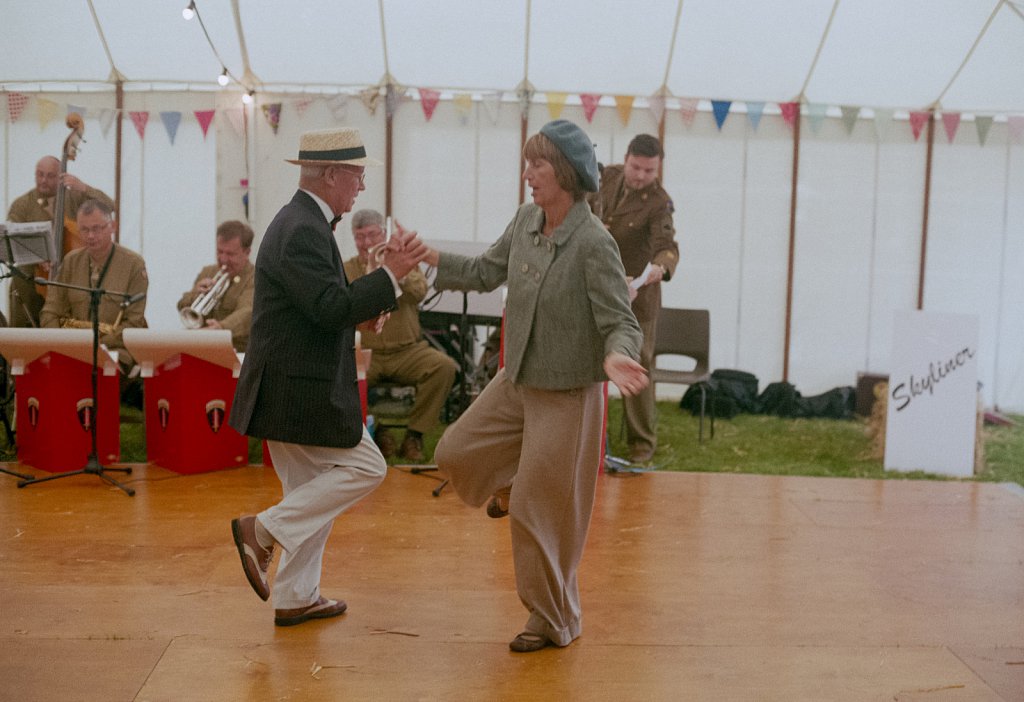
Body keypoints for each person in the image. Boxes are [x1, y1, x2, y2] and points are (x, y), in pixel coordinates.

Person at [421, 120, 647, 653]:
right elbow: (483, 271)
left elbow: (622, 320)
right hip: (517, 378)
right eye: (527, 164)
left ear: (565, 172)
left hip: (567, 393)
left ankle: (554, 620)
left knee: (541, 513)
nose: (527, 175)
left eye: (537, 165)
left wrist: (618, 354)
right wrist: (430, 258)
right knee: (454, 452)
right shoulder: (527, 220)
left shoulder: (594, 242)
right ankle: (507, 483)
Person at [228, 127, 427, 627]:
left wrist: (362, 312)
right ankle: (263, 530)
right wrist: (391, 276)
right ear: (332, 174)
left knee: (310, 497)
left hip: (289, 387)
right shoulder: (302, 229)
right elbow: (327, 306)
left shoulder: (303, 224)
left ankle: (296, 595)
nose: (360, 187)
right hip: (298, 392)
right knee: (366, 468)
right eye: (357, 176)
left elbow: (322, 308)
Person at [589, 134, 679, 464]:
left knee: (638, 366)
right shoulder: (605, 177)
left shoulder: (659, 202)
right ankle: (590, 436)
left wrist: (659, 269)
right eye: (636, 167)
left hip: (637, 299)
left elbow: (667, 246)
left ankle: (641, 443)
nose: (640, 175)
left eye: (649, 170)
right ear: (625, 158)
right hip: (596, 290)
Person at [343, 209, 458, 461]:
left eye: (372, 235)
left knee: (444, 367)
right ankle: (378, 429)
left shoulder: (406, 263)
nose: (366, 243)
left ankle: (414, 435)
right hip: (365, 351)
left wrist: (394, 273)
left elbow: (419, 292)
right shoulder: (347, 269)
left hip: (407, 351)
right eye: (359, 237)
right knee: (342, 376)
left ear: (383, 235)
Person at [39, 198, 148, 375]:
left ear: (112, 226)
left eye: (97, 228)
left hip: (115, 348)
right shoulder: (70, 261)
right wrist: (59, 342)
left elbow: (133, 323)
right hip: (69, 347)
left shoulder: (134, 264)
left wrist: (95, 347)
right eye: (84, 229)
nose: (90, 236)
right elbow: (50, 311)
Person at [6, 156, 115, 328]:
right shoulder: (22, 205)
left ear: (61, 177)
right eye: (40, 174)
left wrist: (84, 187)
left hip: (69, 280)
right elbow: (12, 239)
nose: (43, 180)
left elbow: (109, 206)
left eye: (50, 176)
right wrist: (37, 257)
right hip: (31, 281)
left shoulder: (74, 198)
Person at [176, 220, 255, 352]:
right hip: (202, 348)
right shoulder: (208, 272)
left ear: (246, 253)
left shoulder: (255, 278)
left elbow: (247, 313)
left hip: (238, 352)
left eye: (230, 254)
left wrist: (222, 327)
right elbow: (182, 306)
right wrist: (195, 294)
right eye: (219, 251)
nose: (223, 259)